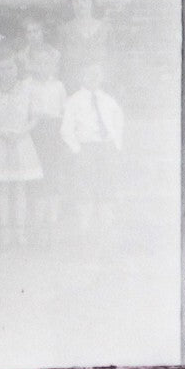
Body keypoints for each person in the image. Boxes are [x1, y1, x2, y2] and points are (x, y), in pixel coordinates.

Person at [61, 61, 124, 239]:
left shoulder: (108, 100)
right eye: (89, 75)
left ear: (102, 78)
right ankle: (85, 231)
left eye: (97, 75)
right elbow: (66, 129)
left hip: (105, 148)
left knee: (107, 187)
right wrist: (77, 150)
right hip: (85, 148)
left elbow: (118, 122)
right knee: (84, 188)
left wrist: (116, 144)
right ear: (82, 77)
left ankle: (105, 230)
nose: (93, 78)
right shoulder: (74, 100)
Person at [0, 56, 43, 247]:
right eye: (1, 69)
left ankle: (20, 231)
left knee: (19, 187)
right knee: (2, 187)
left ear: (17, 69)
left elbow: (34, 116)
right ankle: (5, 231)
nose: (6, 72)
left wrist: (20, 133)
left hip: (21, 141)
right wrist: (0, 131)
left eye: (10, 68)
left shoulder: (27, 89)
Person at [25, 45, 67, 245]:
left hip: (53, 133)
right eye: (38, 62)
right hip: (34, 133)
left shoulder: (58, 86)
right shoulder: (26, 85)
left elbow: (63, 112)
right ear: (31, 64)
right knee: (36, 178)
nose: (43, 67)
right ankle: (37, 225)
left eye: (47, 63)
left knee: (53, 176)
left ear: (52, 65)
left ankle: (52, 224)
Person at [59, 0, 113, 90]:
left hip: (102, 86)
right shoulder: (65, 30)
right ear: (71, 4)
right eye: (75, 0)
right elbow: (62, 63)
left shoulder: (106, 29)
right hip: (75, 87)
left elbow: (112, 59)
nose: (80, 3)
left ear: (91, 1)